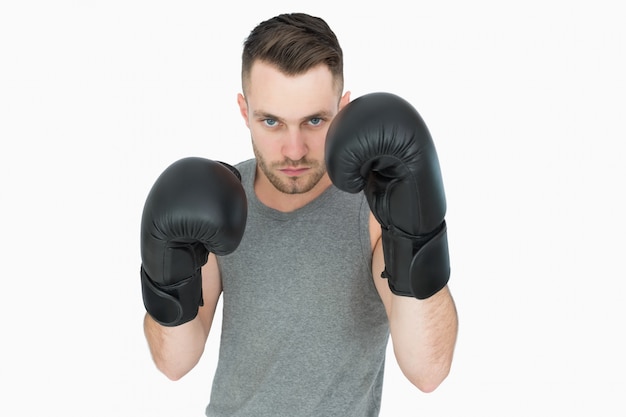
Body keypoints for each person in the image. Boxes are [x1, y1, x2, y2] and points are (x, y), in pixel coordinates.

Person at [140, 12, 458, 416]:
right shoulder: (219, 201)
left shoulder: (376, 209)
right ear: (244, 110)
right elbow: (174, 363)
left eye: (314, 120)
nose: (293, 149)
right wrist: (162, 266)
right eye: (271, 121)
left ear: (343, 109)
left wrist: (418, 229)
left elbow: (427, 371)